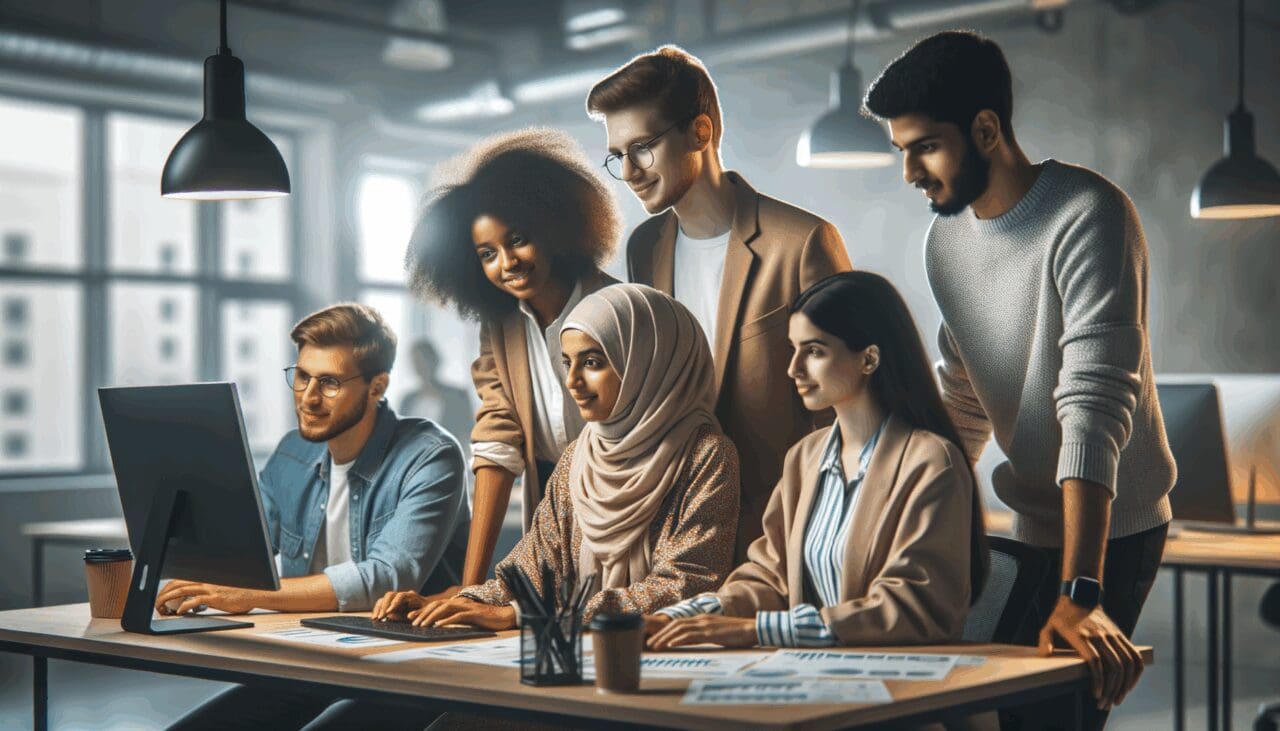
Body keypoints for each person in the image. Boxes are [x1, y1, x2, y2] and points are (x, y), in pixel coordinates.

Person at [863, 31, 1175, 723]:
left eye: (925, 147)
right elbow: (965, 393)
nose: (910, 171)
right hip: (1030, 518)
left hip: (1114, 526)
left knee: (1052, 720)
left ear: (985, 129)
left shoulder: (1088, 215)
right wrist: (911, 510)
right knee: (980, 708)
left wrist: (1083, 589)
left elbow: (1093, 405)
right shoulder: (944, 240)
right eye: (901, 151)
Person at [586, 45, 853, 563]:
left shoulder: (802, 241)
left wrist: (824, 536)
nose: (631, 171)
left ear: (700, 132)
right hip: (677, 535)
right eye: (617, 156)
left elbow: (846, 410)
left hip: (782, 531)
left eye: (642, 146)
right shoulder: (644, 248)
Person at [164, 303, 470, 730]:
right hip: (312, 658)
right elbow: (244, 552)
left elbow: (388, 576)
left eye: (329, 383)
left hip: (408, 666)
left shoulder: (430, 454)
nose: (308, 397)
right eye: (303, 377)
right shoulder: (292, 452)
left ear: (376, 386)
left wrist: (251, 595)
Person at [646, 272, 987, 654]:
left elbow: (910, 607)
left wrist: (756, 631)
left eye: (814, 351)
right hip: (810, 672)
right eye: (793, 349)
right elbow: (770, 577)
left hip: (900, 688)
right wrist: (684, 615)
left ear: (869, 358)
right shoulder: (805, 458)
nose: (793, 369)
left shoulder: (930, 462)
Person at [373, 284, 739, 628]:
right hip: (570, 650)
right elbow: (529, 573)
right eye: (567, 363)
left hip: (656, 657)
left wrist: (523, 614)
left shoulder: (707, 456)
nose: (572, 381)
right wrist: (448, 602)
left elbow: (684, 587)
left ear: (647, 362)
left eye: (593, 362)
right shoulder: (579, 457)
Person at [405, 128, 622, 594]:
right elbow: (497, 439)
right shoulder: (499, 328)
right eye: (487, 253)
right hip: (549, 517)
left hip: (626, 511)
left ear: (555, 227)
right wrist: (471, 586)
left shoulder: (619, 308)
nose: (507, 263)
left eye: (518, 239)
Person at [400, 338, 474, 456]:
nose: (420, 366)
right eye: (416, 362)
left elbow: (468, 435)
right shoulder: (408, 400)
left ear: (435, 361)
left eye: (424, 360)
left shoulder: (457, 397)